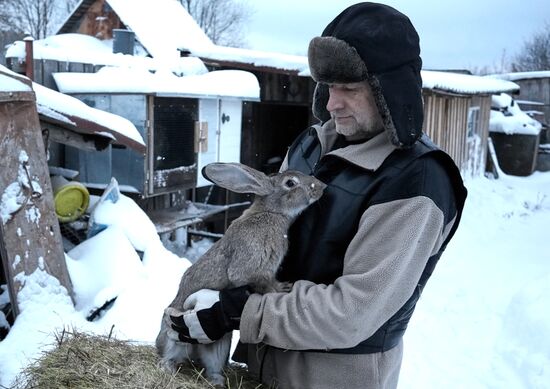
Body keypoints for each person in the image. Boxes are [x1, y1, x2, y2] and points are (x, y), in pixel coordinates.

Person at [168, 3, 467, 388]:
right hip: (264, 371)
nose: (331, 103)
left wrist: (239, 312)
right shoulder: (311, 147)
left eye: (350, 89)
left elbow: (351, 313)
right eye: (327, 87)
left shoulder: (415, 183)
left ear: (389, 92)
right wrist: (212, 286)